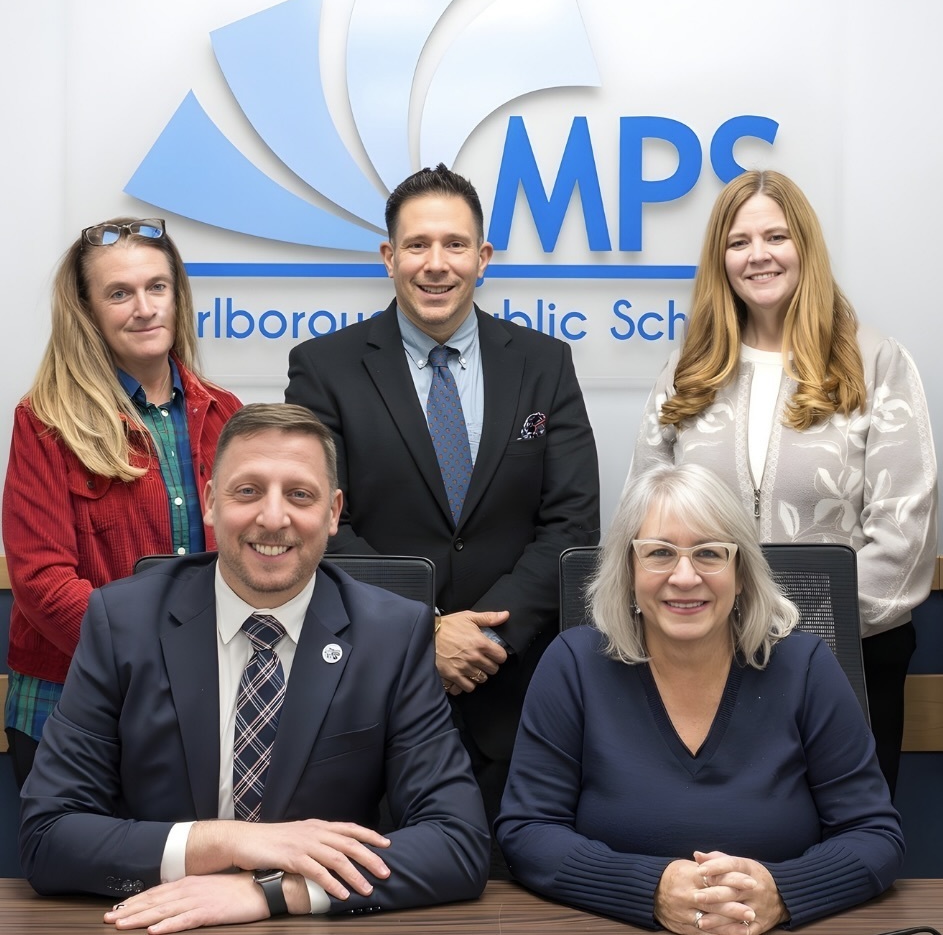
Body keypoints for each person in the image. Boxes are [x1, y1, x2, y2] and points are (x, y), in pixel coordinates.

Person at [19, 403, 490, 929]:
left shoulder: (392, 636)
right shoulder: (121, 623)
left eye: (300, 495)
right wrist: (229, 841)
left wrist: (272, 891)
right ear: (210, 502)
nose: (273, 517)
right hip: (154, 920)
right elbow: (48, 836)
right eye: (247, 491)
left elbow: (457, 842)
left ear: (333, 513)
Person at [285, 164, 600, 865]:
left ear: (482, 258)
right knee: (369, 885)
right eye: (417, 244)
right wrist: (423, 629)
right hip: (370, 691)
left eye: (455, 245)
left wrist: (484, 640)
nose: (436, 264)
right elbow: (314, 522)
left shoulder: (544, 364)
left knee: (518, 895)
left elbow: (571, 527)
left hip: (517, 697)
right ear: (388, 256)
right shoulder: (323, 367)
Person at [627, 170, 938, 797]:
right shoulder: (687, 369)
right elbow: (645, 512)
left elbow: (904, 535)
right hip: (706, 661)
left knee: (843, 846)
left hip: (848, 660)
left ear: (806, 247)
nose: (758, 255)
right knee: (728, 843)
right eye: (739, 241)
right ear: (721, 258)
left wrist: (787, 629)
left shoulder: (874, 361)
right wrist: (717, 628)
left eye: (777, 236)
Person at [496, 462, 904, 932]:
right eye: (660, 553)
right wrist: (650, 889)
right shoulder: (573, 664)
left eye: (709, 553)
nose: (685, 577)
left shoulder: (805, 665)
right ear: (629, 570)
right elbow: (527, 831)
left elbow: (874, 835)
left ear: (742, 572)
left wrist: (781, 893)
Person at [2, 217, 242, 787]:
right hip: (69, 708)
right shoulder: (45, 421)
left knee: (188, 870)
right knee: (82, 875)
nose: (144, 307)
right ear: (86, 311)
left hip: (197, 707)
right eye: (119, 293)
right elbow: (42, 582)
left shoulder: (225, 413)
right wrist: (155, 655)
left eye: (157, 287)